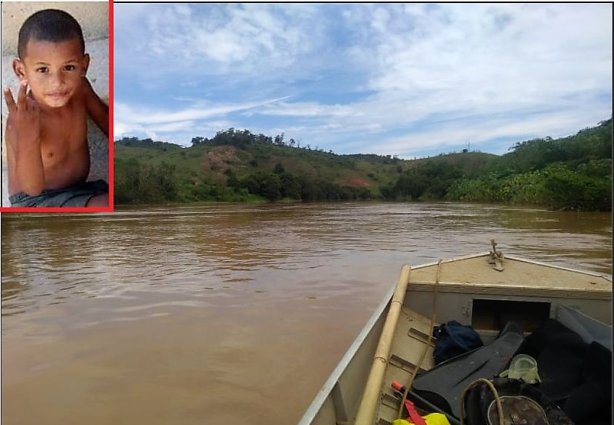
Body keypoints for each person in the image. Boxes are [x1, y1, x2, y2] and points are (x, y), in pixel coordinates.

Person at [3, 8, 108, 207]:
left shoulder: (81, 90)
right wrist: (28, 134)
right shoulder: (21, 119)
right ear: (21, 71)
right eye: (43, 70)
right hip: (36, 200)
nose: (57, 83)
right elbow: (31, 188)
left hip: (79, 190)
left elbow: (109, 125)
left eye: (69, 68)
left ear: (84, 65)